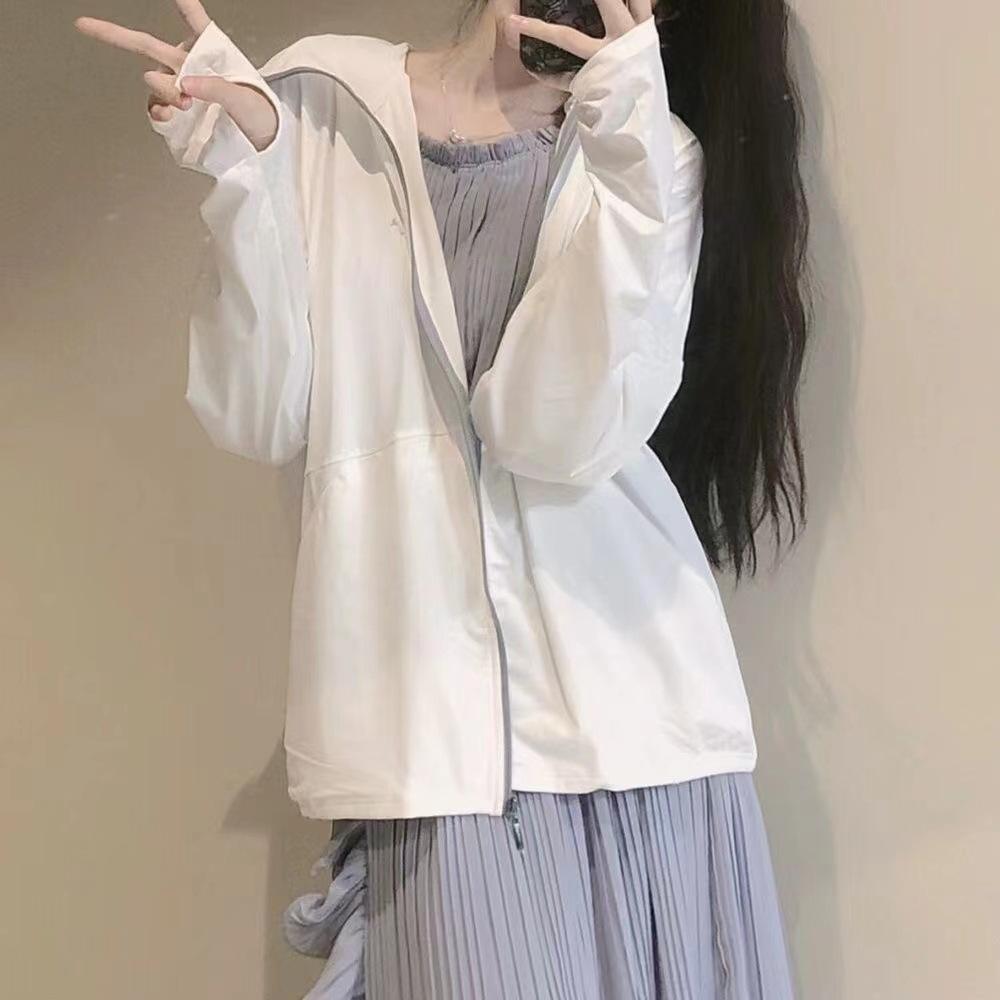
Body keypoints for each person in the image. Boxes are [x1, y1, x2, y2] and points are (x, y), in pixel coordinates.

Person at [76, 0, 808, 996]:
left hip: (639, 725)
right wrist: (246, 178)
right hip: (428, 736)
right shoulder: (322, 99)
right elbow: (257, 408)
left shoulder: (647, 144)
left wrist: (631, 154)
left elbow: (552, 434)